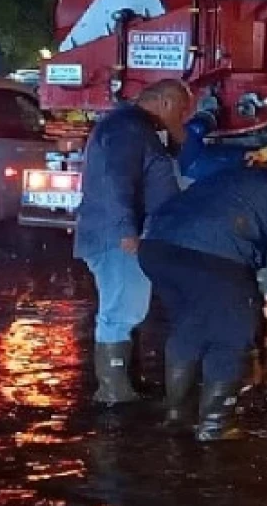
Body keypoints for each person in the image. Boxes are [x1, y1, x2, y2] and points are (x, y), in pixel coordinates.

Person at [138, 163, 267, 441]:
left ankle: (176, 416)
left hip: (156, 247)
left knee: (190, 326)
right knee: (231, 335)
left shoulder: (249, 176)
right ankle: (215, 427)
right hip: (209, 254)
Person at [74, 78, 193, 405]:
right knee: (121, 311)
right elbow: (117, 180)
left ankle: (125, 382)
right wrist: (127, 230)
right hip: (119, 238)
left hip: (123, 233)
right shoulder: (128, 129)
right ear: (166, 103)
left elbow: (160, 163)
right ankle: (113, 391)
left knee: (127, 308)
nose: (182, 118)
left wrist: (179, 136)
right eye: (181, 111)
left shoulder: (135, 127)